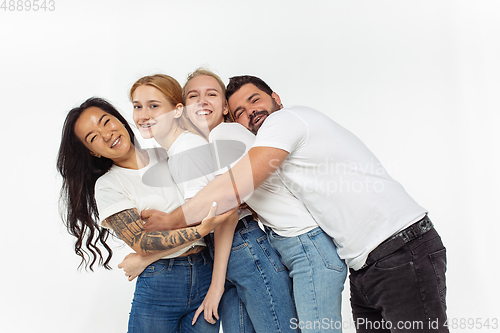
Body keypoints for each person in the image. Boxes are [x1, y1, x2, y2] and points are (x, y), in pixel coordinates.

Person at [144, 75, 449, 333]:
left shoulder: (284, 121)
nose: (250, 112)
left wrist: (171, 221)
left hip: (399, 247)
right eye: (240, 111)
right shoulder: (261, 142)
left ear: (276, 97)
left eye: (255, 100)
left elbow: (233, 189)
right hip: (363, 262)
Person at [120, 71, 298, 333]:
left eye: (212, 94)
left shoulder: (204, 142)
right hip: (227, 254)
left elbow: (224, 213)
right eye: (194, 96)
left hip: (242, 247)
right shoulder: (191, 146)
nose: (202, 102)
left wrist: (214, 285)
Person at [56, 96, 234, 333]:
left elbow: (217, 200)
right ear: (92, 152)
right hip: (161, 281)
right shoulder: (109, 185)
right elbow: (143, 242)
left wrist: (145, 258)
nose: (106, 134)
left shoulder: (169, 153)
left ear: (120, 120)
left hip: (206, 271)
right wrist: (201, 229)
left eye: (106, 122)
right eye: (93, 137)